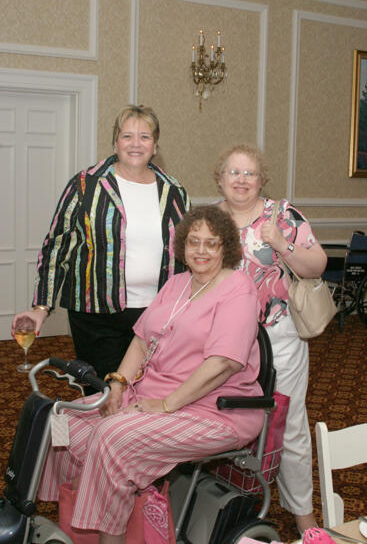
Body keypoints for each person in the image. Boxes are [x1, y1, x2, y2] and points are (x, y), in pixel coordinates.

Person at [38, 205, 265, 543]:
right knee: (61, 422)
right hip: (149, 395)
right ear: (182, 246)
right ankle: (76, 521)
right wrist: (117, 384)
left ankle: (110, 536)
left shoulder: (238, 289)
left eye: (211, 243)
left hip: (215, 410)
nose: (201, 250)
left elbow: (223, 364)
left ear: (226, 247)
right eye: (193, 242)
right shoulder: (176, 284)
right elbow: (142, 341)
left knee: (113, 436)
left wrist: (167, 404)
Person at [11, 105, 190, 388]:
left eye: (144, 137)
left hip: (157, 314)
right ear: (115, 141)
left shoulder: (174, 190)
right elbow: (57, 246)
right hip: (96, 316)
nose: (135, 144)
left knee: (149, 390)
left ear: (155, 145)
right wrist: (41, 307)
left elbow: (186, 253)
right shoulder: (85, 185)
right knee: (101, 394)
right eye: (127, 136)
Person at [213, 144, 328, 534]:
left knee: (289, 424)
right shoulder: (211, 219)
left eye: (249, 173)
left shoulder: (282, 214)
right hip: (224, 342)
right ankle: (226, 507)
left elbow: (318, 264)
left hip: (278, 337)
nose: (241, 180)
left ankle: (304, 518)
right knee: (225, 419)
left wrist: (281, 243)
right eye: (234, 173)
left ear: (262, 179)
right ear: (220, 178)